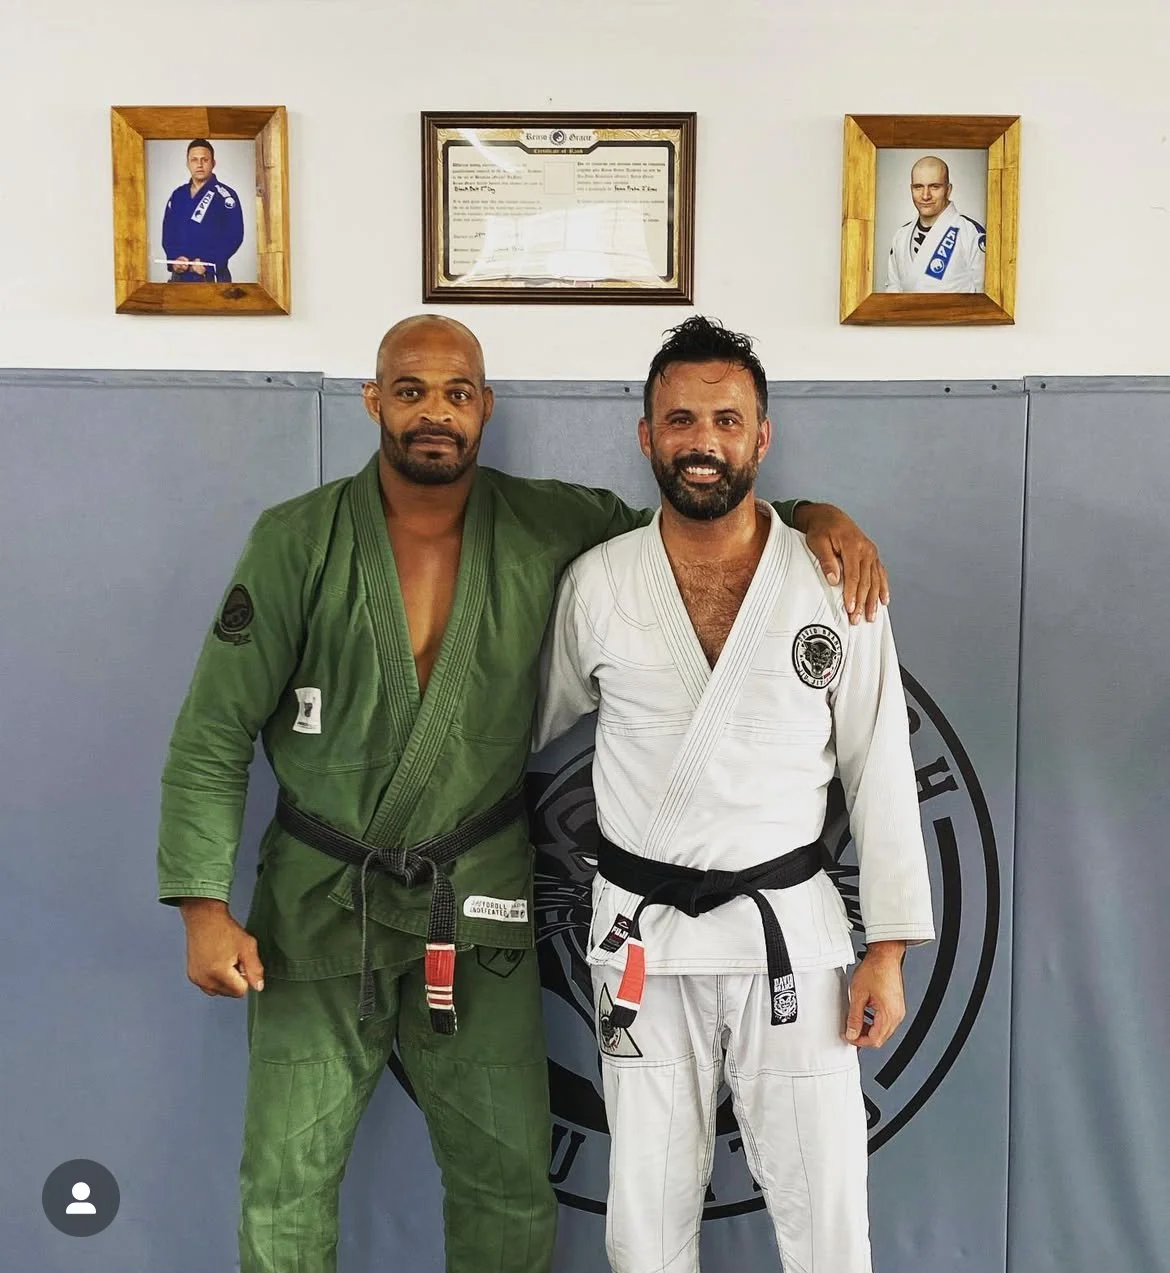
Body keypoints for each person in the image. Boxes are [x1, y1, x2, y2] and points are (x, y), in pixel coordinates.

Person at [156, 313, 889, 1273]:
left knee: (507, 1179)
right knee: (284, 1176)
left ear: (485, 407)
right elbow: (214, 730)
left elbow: (702, 516)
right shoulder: (297, 540)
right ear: (373, 400)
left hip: (477, 897)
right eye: (410, 390)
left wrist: (815, 517)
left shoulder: (548, 523)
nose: (434, 412)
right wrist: (201, 906)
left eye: (457, 393)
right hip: (319, 899)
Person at [533, 315, 936, 1273]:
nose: (702, 441)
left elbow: (878, 762)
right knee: (645, 1212)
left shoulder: (833, 580)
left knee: (827, 1208)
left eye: (725, 420)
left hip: (788, 936)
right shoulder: (598, 584)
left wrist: (886, 948)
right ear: (647, 436)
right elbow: (518, 728)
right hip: (641, 935)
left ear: (762, 437)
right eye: (680, 420)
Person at [885, 155, 985, 293]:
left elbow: (985, 293)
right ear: (911, 189)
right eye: (918, 187)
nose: (925, 196)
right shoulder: (901, 236)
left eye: (935, 187)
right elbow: (893, 289)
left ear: (948, 190)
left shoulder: (971, 233)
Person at [161, 138, 244, 283]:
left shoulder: (225, 196)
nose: (199, 164)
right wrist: (174, 258)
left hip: (211, 275)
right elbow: (168, 231)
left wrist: (209, 261)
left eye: (204, 160)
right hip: (181, 276)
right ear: (188, 163)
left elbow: (234, 235)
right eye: (194, 160)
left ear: (213, 163)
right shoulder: (178, 195)